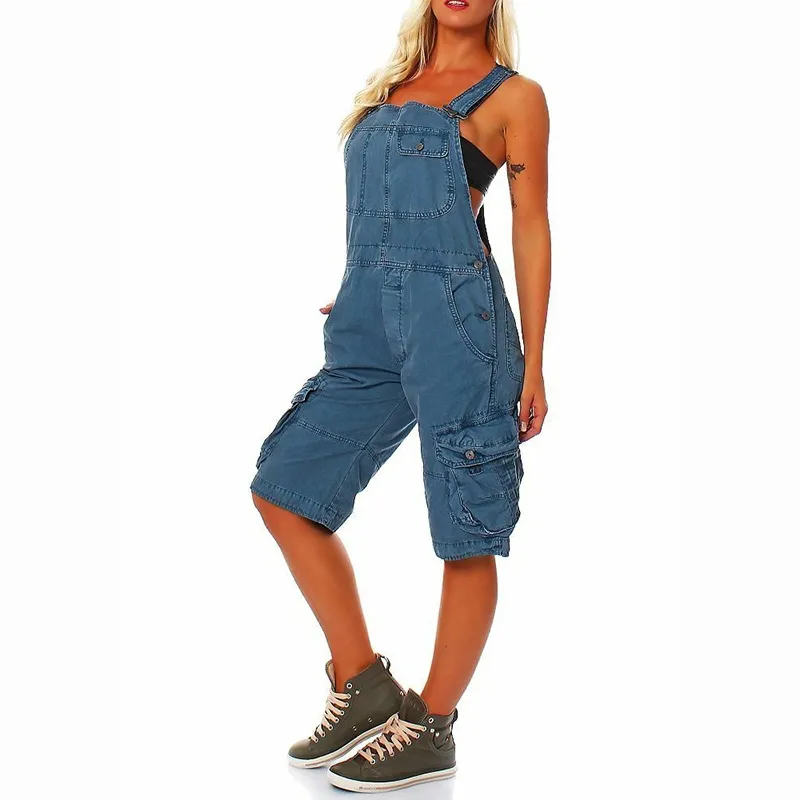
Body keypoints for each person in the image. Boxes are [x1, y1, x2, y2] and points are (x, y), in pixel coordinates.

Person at [250, 0, 550, 791]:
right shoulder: (391, 89)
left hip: (460, 327)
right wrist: (367, 288)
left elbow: (530, 225)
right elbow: (378, 215)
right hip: (367, 323)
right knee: (284, 487)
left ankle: (431, 725)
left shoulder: (514, 97)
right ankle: (362, 683)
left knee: (466, 527)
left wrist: (536, 362)